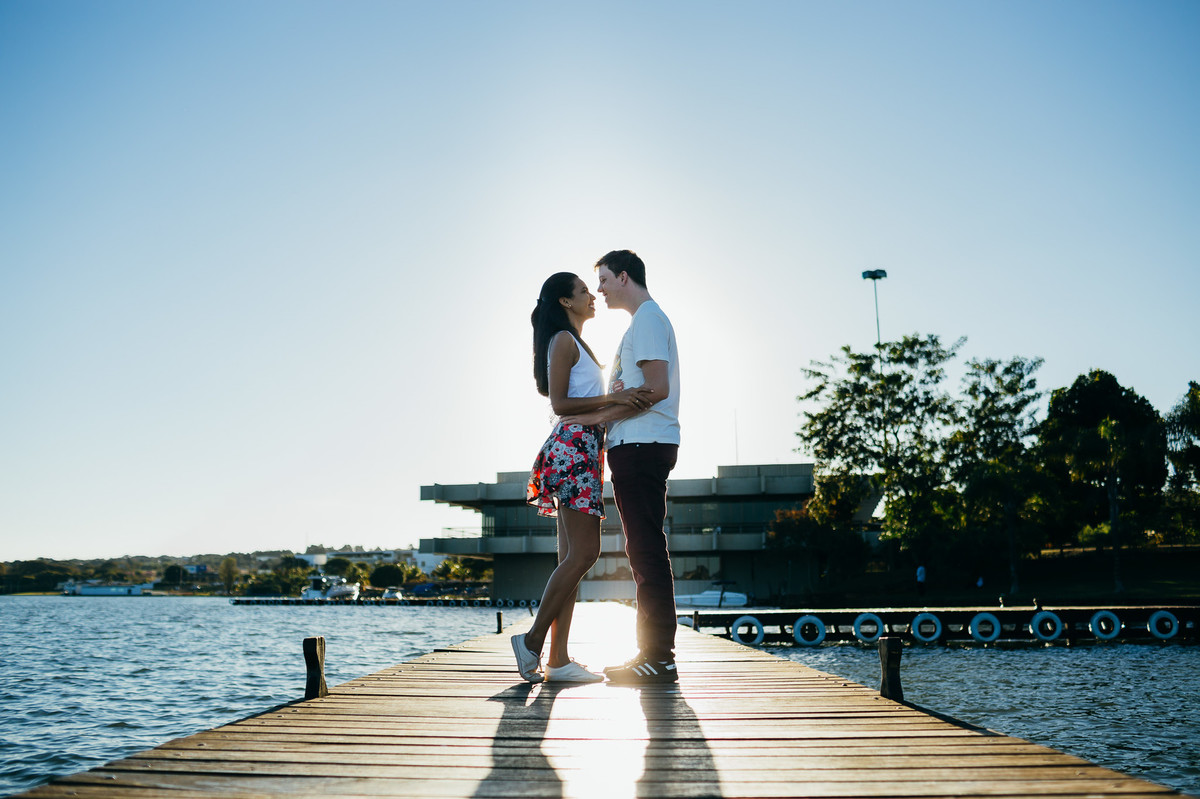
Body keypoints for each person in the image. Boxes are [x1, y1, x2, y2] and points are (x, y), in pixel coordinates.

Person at [511, 272, 654, 684]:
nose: (592, 296)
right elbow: (560, 403)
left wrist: (621, 401)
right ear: (564, 302)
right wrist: (616, 396)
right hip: (573, 449)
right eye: (583, 291)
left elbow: (585, 407)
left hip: (584, 450)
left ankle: (558, 661)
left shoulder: (578, 345)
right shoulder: (562, 341)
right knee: (585, 554)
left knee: (570, 560)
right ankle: (533, 642)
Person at [565, 250, 681, 684]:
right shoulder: (642, 322)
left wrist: (595, 418)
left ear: (625, 277)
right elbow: (638, 389)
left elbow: (656, 387)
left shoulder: (648, 319)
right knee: (641, 549)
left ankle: (660, 658)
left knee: (646, 549)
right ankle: (651, 654)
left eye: (604, 280)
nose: (599, 289)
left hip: (644, 444)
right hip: (636, 445)